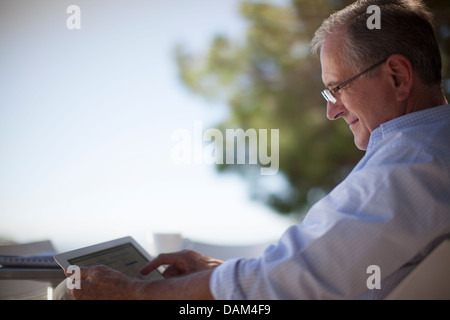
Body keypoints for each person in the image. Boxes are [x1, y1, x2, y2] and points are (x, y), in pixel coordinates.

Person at [60, 0, 450, 299]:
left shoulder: (409, 162)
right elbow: (317, 271)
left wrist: (137, 293)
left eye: (337, 88)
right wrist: (220, 272)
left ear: (397, 76)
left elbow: (290, 281)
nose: (331, 110)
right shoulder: (428, 152)